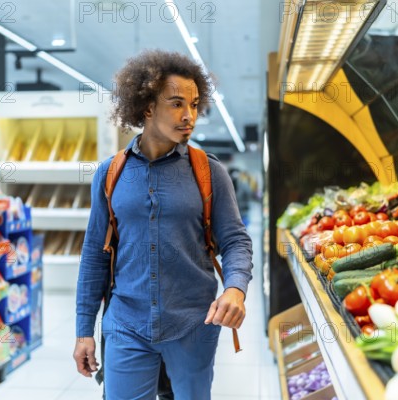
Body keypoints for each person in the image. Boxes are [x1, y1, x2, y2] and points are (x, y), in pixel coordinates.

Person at [73, 49, 253, 400]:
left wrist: (235, 287)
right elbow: (95, 254)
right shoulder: (111, 173)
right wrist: (84, 330)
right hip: (126, 324)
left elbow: (235, 241)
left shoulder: (208, 172)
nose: (190, 116)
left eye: (195, 104)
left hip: (192, 325)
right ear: (147, 107)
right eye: (176, 104)